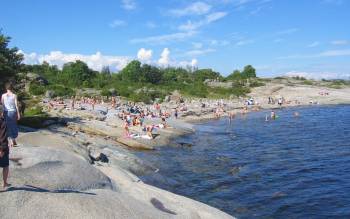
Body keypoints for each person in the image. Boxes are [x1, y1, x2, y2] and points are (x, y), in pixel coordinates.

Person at [1, 82, 20, 147]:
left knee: (7, 126)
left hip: (6, 112)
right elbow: (16, 105)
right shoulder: (14, 95)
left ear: (6, 88)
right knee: (13, 125)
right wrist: (18, 114)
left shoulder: (3, 95)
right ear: (11, 88)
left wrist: (2, 113)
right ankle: (13, 140)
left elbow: (3, 106)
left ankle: (11, 140)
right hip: (13, 112)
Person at [0, 106, 10, 190]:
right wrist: (2, 149)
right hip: (2, 148)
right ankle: (5, 183)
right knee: (5, 166)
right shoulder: (2, 122)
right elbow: (3, 136)